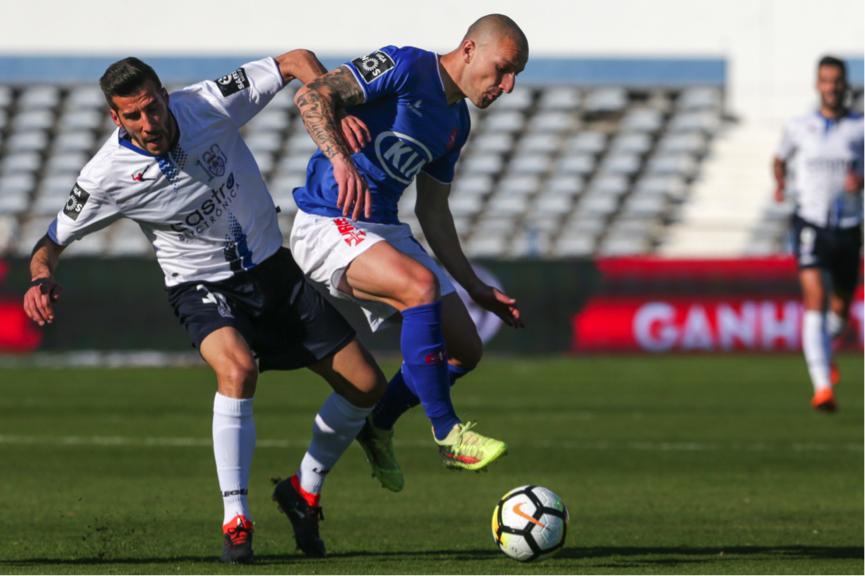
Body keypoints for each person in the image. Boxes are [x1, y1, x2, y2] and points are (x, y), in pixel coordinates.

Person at [22, 51, 386, 564]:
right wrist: (41, 277)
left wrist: (330, 102)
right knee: (237, 371)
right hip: (201, 287)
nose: (149, 124)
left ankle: (303, 490)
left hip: (272, 273)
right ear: (115, 118)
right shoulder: (104, 175)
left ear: (166, 97)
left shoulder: (208, 102)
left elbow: (294, 60)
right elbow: (50, 242)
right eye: (133, 116)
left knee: (368, 385)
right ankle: (236, 519)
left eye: (153, 108)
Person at [290, 14, 528, 491]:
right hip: (326, 220)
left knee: (466, 348)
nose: (508, 85)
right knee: (419, 289)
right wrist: (340, 159)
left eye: (516, 75)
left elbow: (434, 212)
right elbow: (311, 95)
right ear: (468, 50)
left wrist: (476, 287)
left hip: (383, 228)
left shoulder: (456, 123)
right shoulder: (405, 65)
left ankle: (378, 424)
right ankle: (449, 434)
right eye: (502, 69)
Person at [774, 55, 865, 412]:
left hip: (848, 227)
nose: (831, 87)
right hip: (811, 223)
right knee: (814, 298)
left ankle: (826, 350)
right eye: (825, 80)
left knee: (840, 310)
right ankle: (822, 387)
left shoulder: (859, 127)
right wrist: (780, 181)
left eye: (836, 80)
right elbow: (779, 157)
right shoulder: (799, 126)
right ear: (817, 84)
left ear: (844, 84)